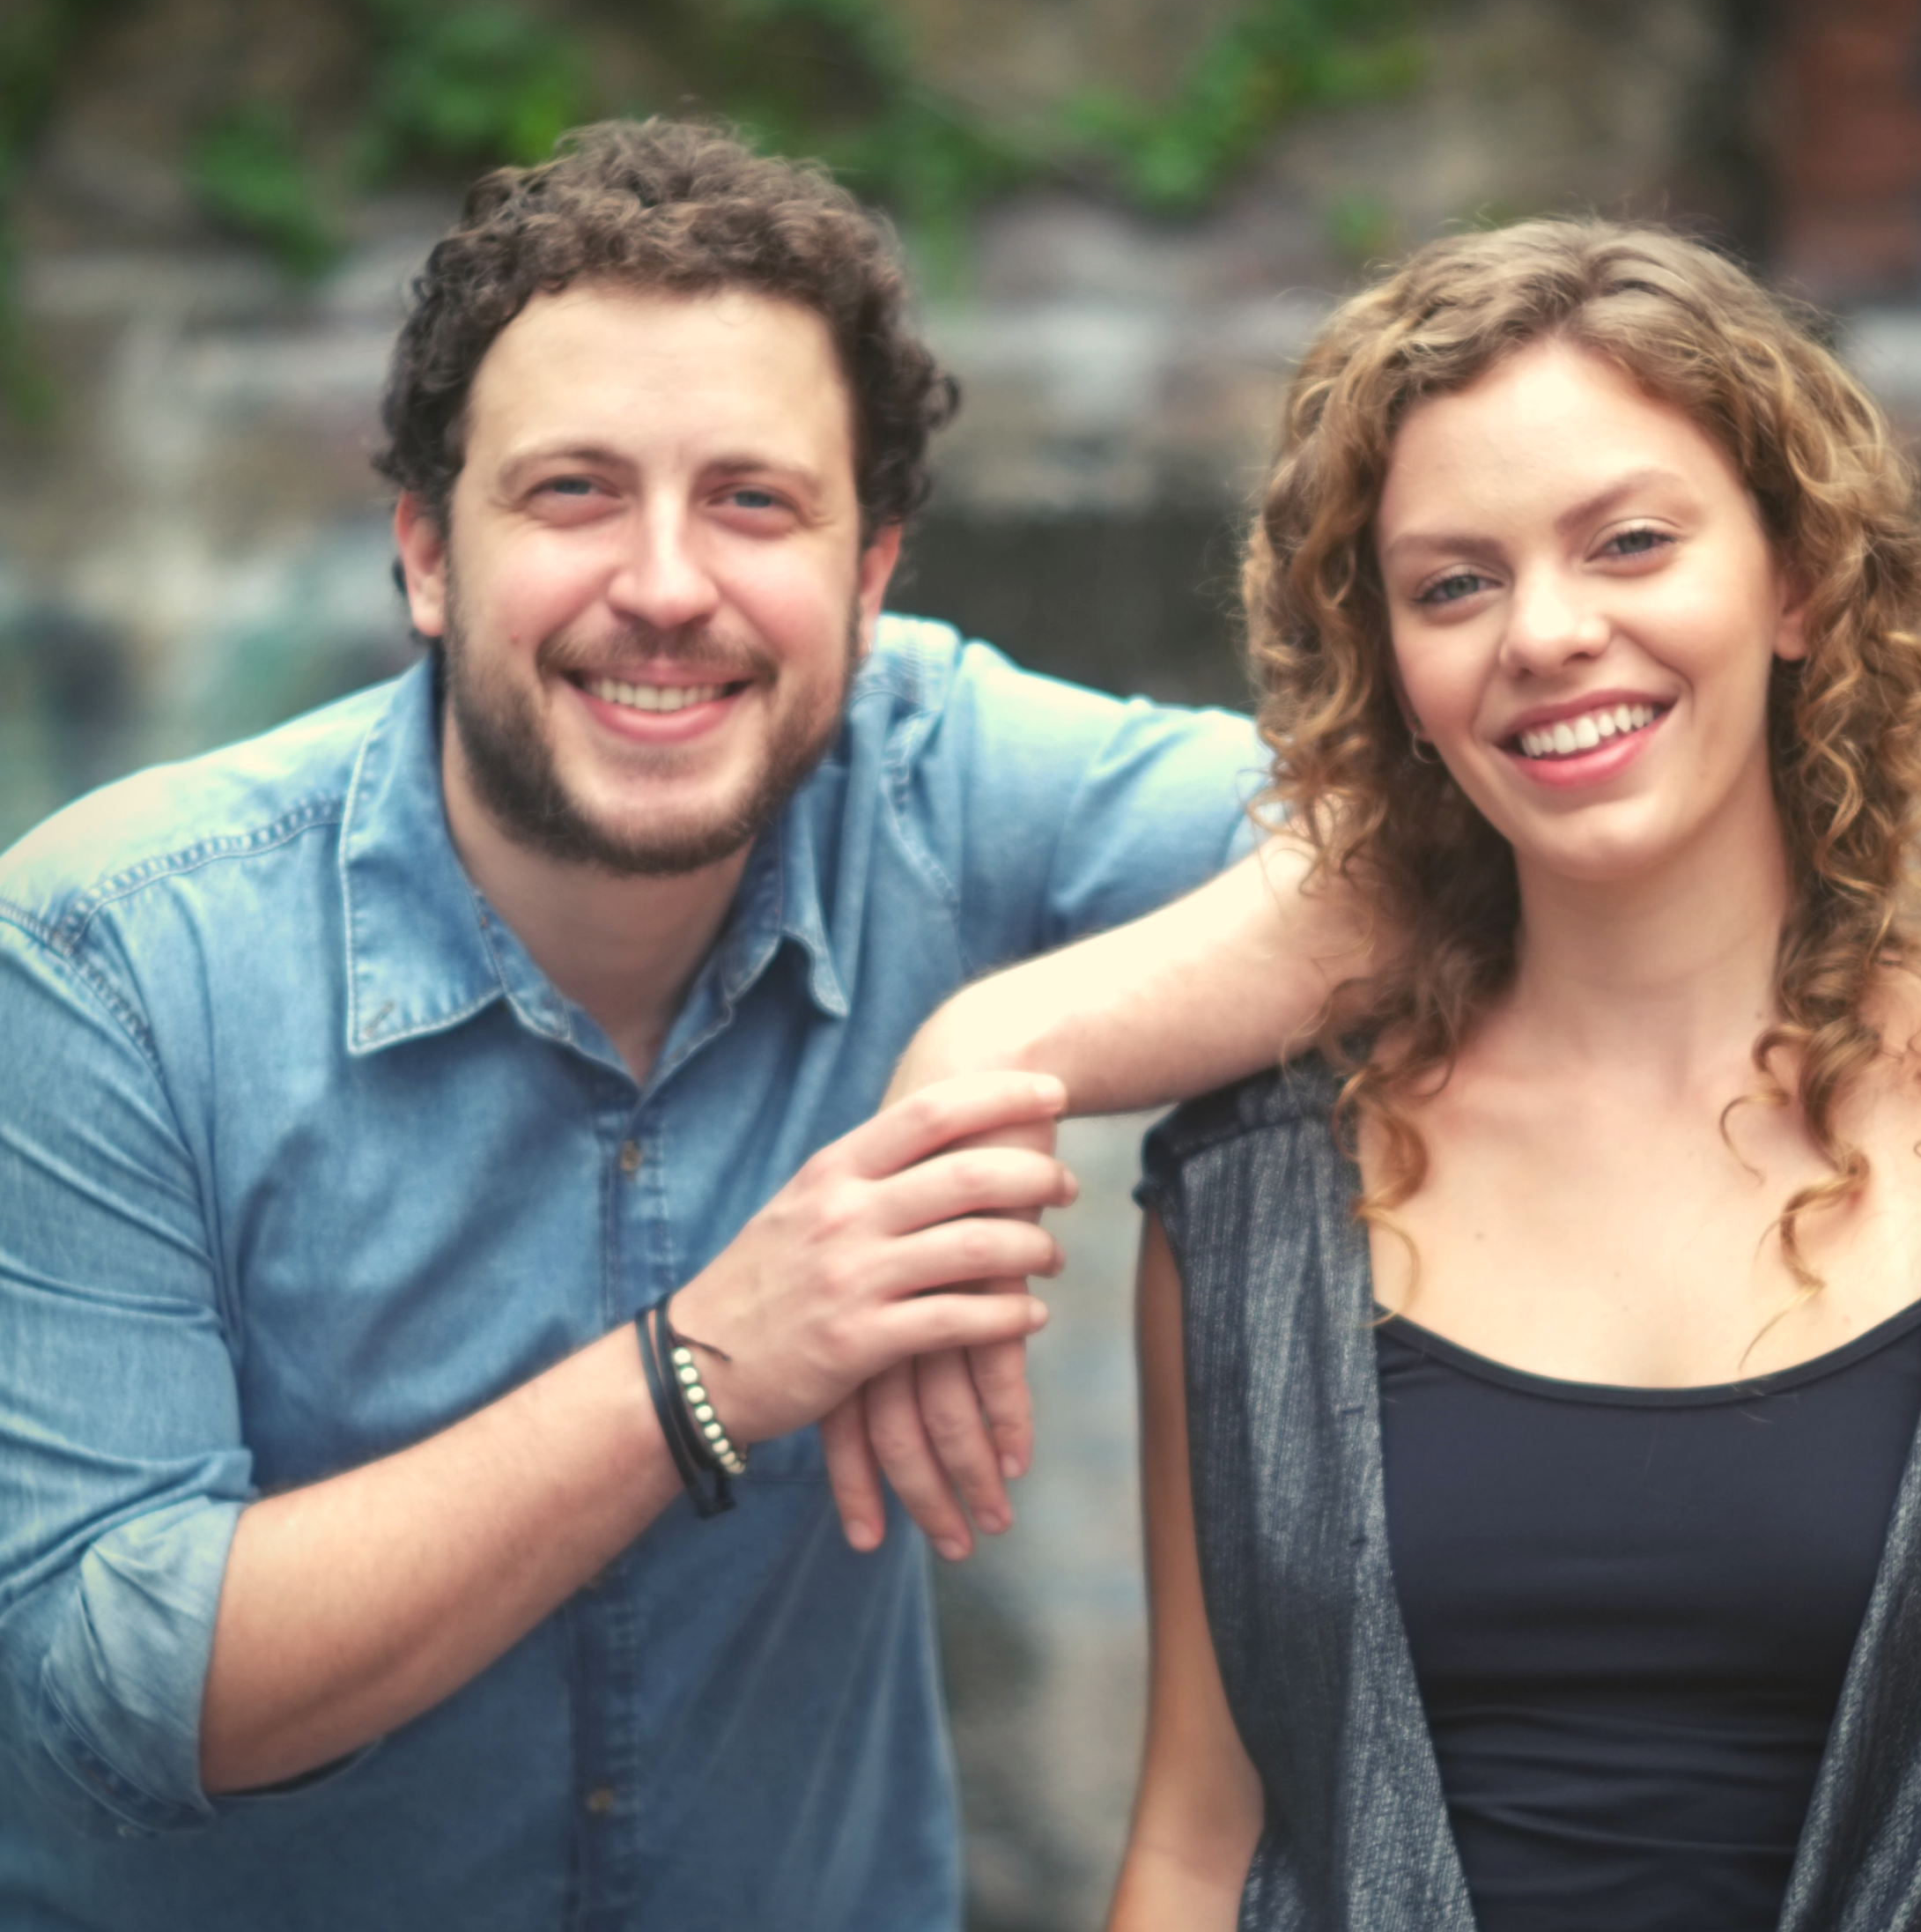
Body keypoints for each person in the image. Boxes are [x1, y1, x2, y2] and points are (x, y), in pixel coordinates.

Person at [0, 119, 1350, 1932]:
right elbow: (121, 1689)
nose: (663, 583)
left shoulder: (934, 775)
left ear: (871, 581)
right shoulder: (100, 961)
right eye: (570, 493)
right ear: (424, 555)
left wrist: (985, 1056)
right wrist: (703, 1367)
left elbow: (1440, 845)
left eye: (753, 501)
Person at [1052, 218, 1921, 1929]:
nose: (1544, 632)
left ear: (1797, 580)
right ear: (1393, 672)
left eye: (1627, 543)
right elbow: (1198, 1831)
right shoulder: (1251, 1199)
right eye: (1454, 584)